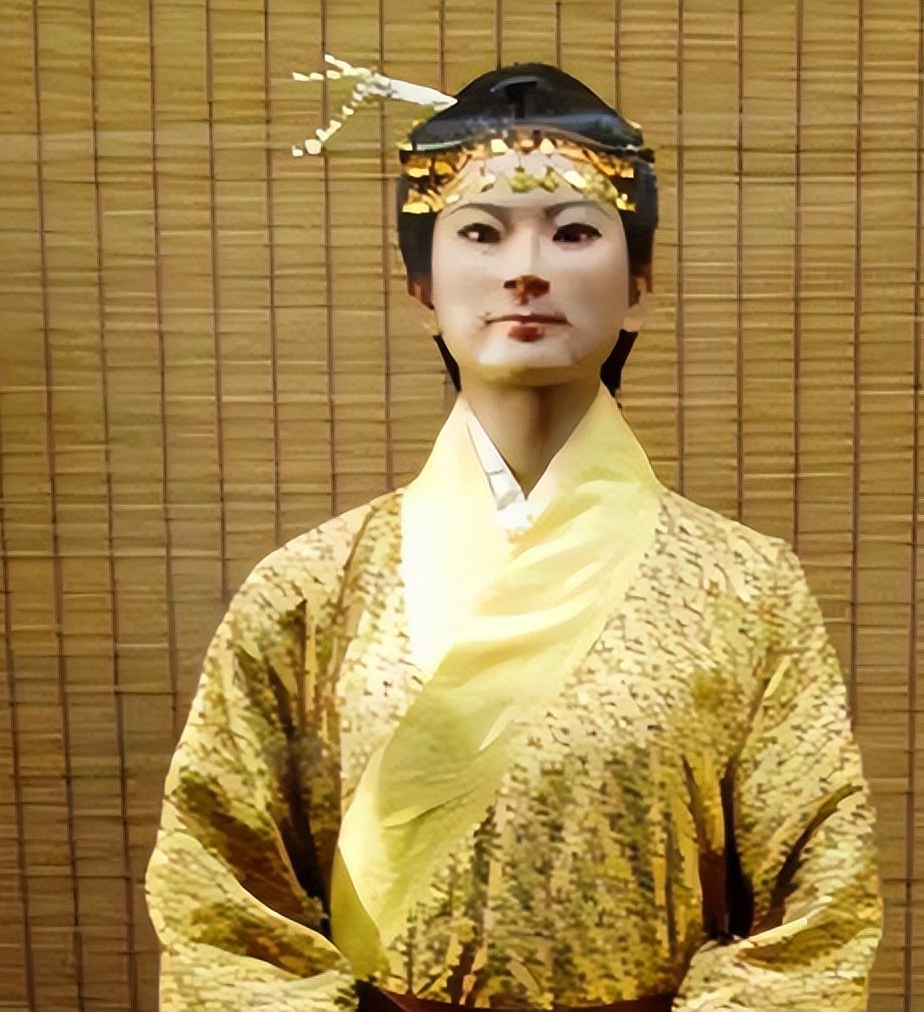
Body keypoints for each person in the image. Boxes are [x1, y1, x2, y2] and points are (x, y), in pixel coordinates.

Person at [144, 61, 883, 1011]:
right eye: (481, 232)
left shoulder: (747, 588)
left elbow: (816, 915)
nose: (525, 268)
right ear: (421, 285)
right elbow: (222, 907)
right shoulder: (309, 590)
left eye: (573, 232)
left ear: (640, 284)